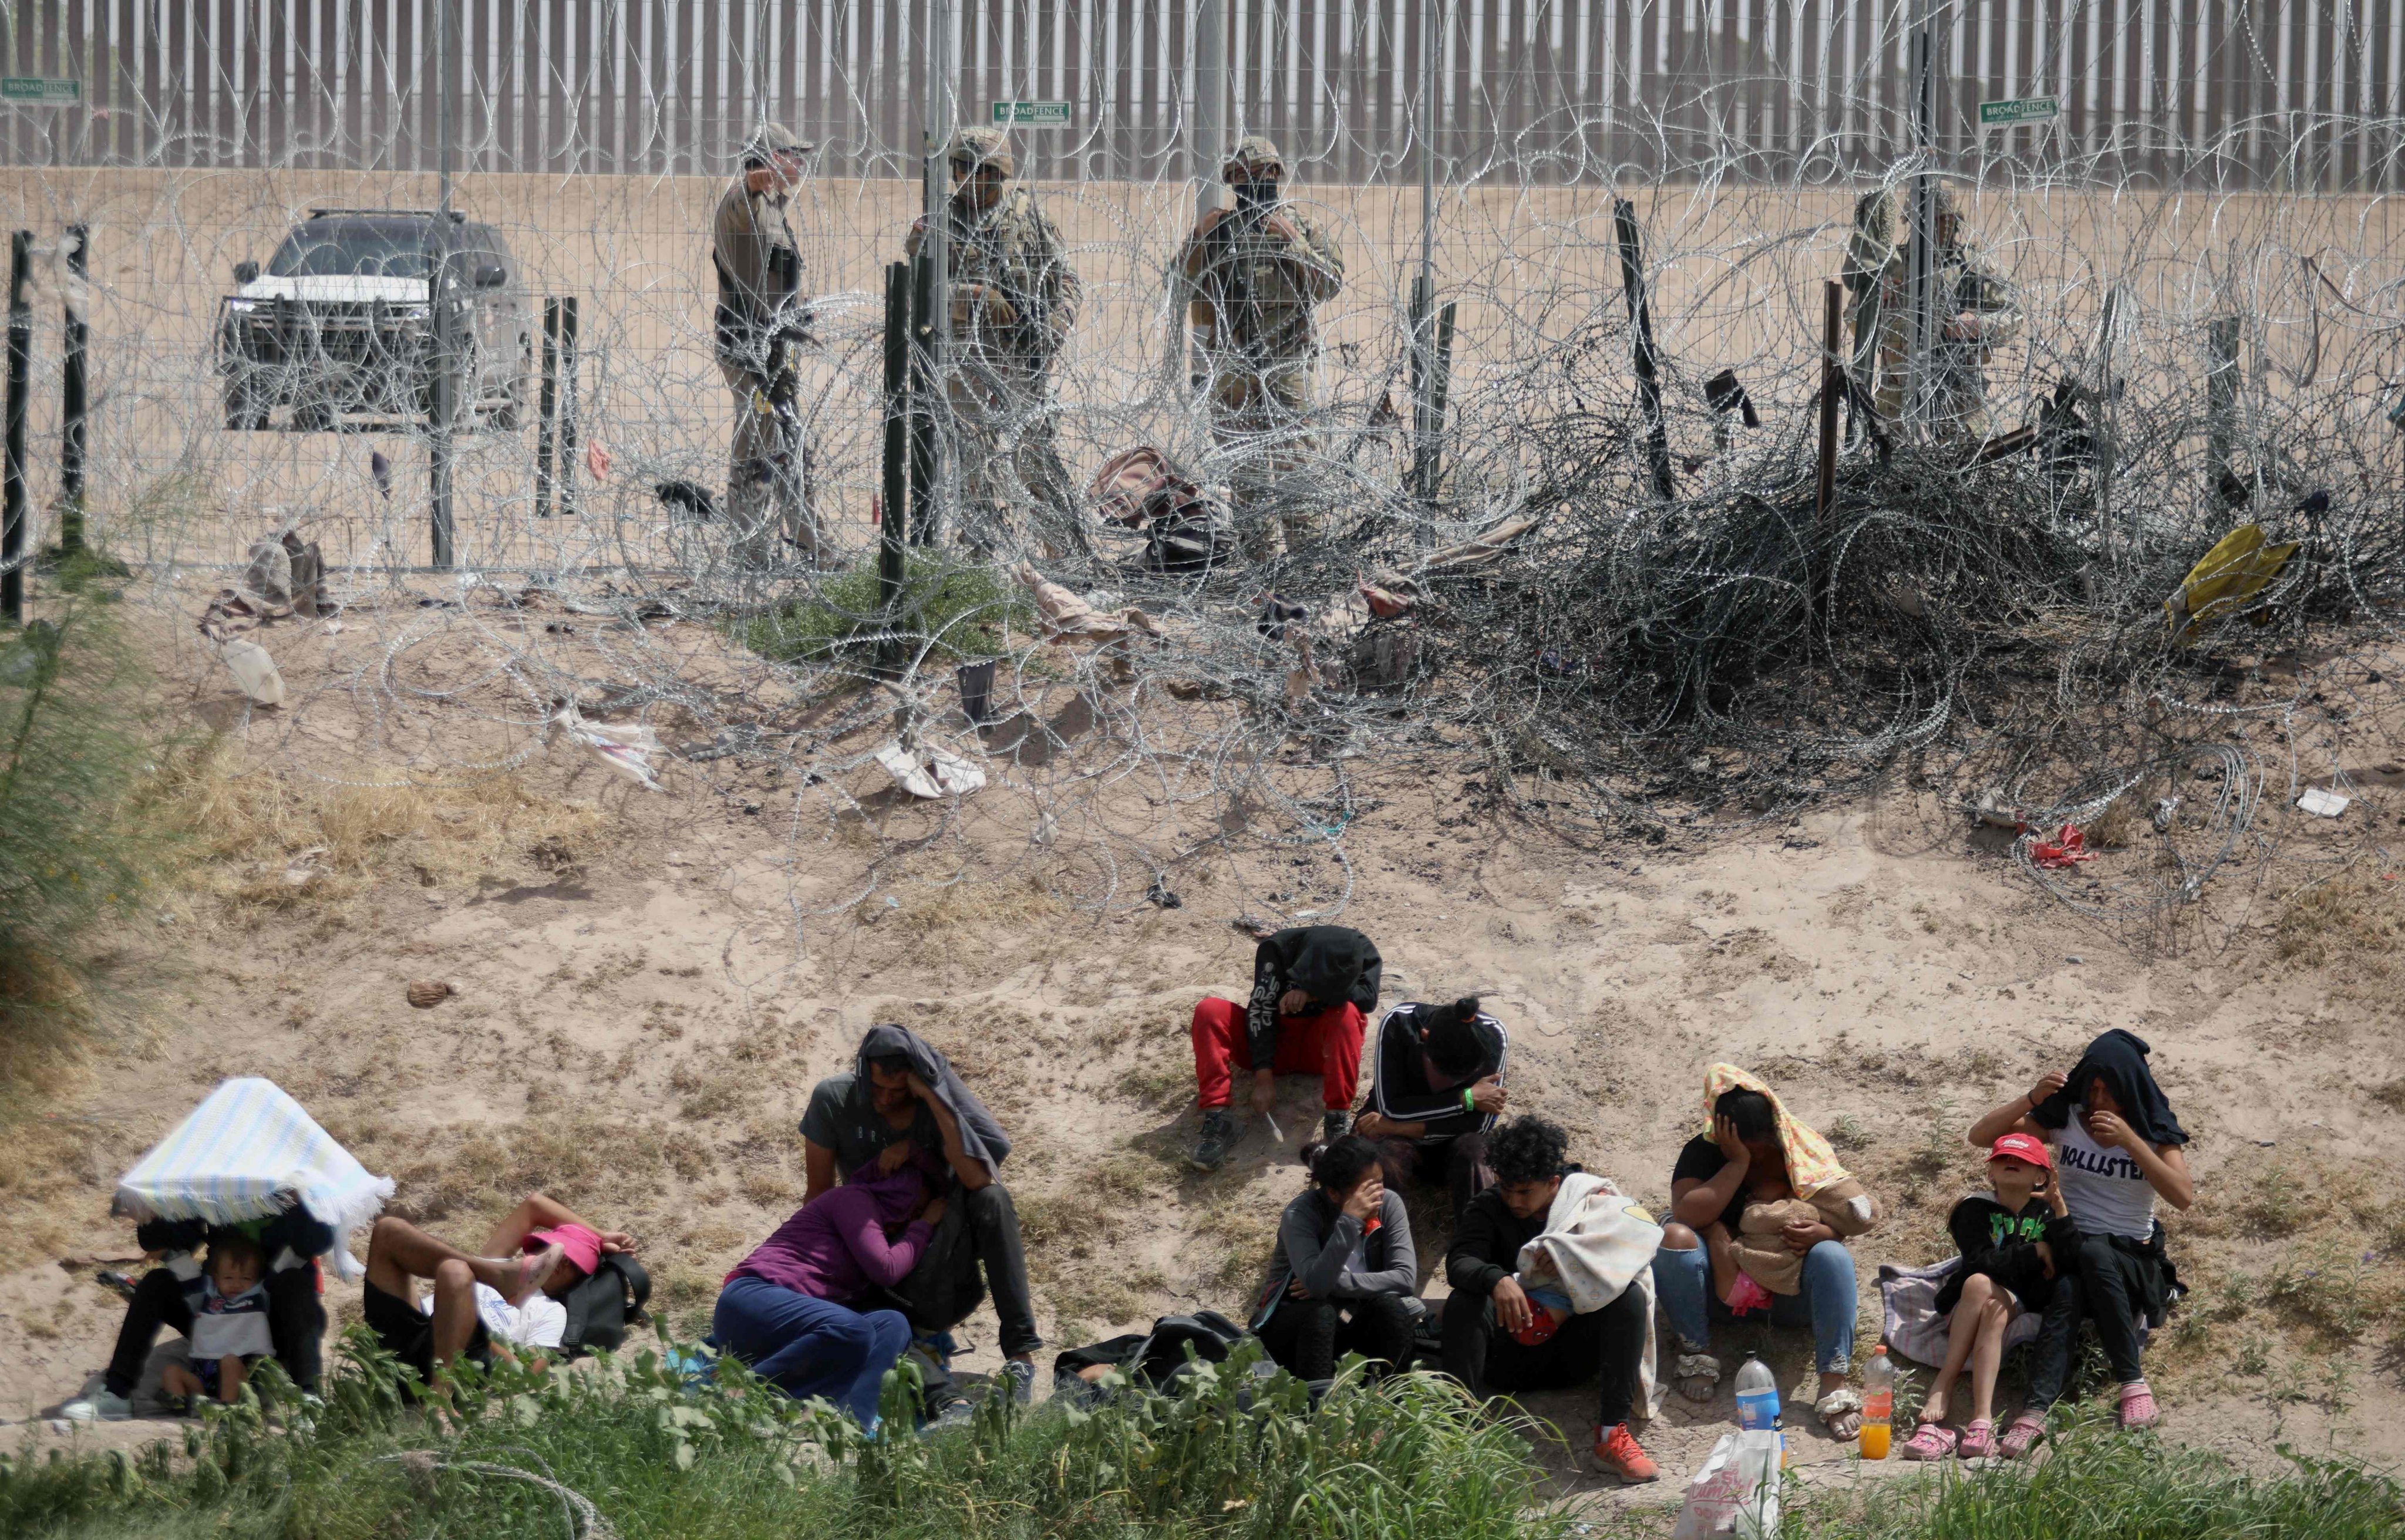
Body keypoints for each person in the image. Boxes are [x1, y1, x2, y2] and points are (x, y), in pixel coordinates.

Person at [1966, 1029, 2194, 1457]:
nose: (2099, 1100)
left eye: (2110, 1090)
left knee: (2086, 1262)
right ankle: (2034, 1411)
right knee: (2070, 1283)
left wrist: (2129, 1139)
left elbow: (2182, 1196)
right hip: (2072, 1244)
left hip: (2130, 1256)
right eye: (2093, 1088)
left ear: (2130, 1089)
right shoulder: (2068, 1118)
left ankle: (2131, 1381)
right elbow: (1982, 1137)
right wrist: (2031, 1099)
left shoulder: (2154, 1129)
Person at [800, 1024, 1039, 1411]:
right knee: (855, 1330)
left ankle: (1021, 1357)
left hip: (942, 1261)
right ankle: (943, 1396)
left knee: (993, 1198)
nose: (885, 1099)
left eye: (898, 1091)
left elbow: (979, 1178)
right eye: (877, 1088)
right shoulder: (834, 1099)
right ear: (863, 1073)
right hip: (875, 1257)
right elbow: (818, 1196)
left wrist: (930, 1096)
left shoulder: (935, 1107)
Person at [1652, 1067, 1878, 1440]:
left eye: (1761, 1149)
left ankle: (1832, 1384)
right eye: (1746, 1148)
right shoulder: (1703, 1153)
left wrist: (1829, 1232)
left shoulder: (1797, 1149)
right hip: (1717, 1297)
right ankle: (1697, 1353)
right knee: (1674, 1236)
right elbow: (1688, 1215)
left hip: (1788, 1294)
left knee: (1832, 1255)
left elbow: (1844, 1206)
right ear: (1722, 1134)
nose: (1757, 1158)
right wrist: (1736, 1163)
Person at [1442, 1116, 1658, 1485]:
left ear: (1554, 1183)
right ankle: (1465, 1429)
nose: (1513, 1201)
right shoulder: (1489, 1206)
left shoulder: (1591, 1202)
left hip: (1575, 1351)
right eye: (1507, 1189)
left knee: (1629, 1296)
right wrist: (1497, 1280)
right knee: (1464, 1303)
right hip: (1509, 1356)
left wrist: (1571, 1262)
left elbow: (1630, 1250)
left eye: (1524, 1192)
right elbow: (1460, 1262)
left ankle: (1612, 1436)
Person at [903, 126, 1082, 554]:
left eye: (982, 171)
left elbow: (1068, 281)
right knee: (972, 463)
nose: (972, 180)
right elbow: (915, 291)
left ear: (998, 173)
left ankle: (1059, 551)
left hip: (1021, 356)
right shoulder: (937, 222)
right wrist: (974, 299)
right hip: (964, 360)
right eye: (963, 169)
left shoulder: (1028, 216)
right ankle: (982, 553)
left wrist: (1055, 327)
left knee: (1033, 456)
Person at [1175, 136, 1343, 558]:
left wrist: (1292, 242)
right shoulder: (1219, 231)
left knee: (1296, 472)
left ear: (1277, 175)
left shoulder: (1300, 227)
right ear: (1233, 181)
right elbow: (1178, 285)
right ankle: (1260, 570)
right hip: (1233, 367)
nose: (1256, 183)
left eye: (1264, 174)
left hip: (1286, 363)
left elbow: (1331, 284)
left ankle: (1305, 565)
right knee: (1246, 476)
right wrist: (1199, 239)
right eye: (1245, 177)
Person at [713, 1141, 938, 1428]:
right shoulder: (854, 1200)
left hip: (798, 1335)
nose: (911, 1219)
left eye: (918, 1214)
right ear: (896, 1193)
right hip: (752, 1301)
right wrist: (925, 1226)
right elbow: (887, 1269)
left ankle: (849, 1422)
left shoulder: (881, 1228)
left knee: (893, 1323)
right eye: (913, 1207)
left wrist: (916, 1152)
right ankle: (741, 1394)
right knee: (853, 1329)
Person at [63, 1196, 332, 1421]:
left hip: (274, 1317)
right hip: (216, 1312)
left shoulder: (292, 1180)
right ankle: (116, 1395)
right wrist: (149, 1218)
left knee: (295, 1281)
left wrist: (300, 1201)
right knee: (157, 1282)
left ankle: (309, 1399)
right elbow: (178, 1239)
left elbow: (319, 1240)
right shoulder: (216, 1184)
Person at [1897, 1133, 2073, 1460]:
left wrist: (2060, 1214)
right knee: (1982, 1287)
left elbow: (2069, 1261)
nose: (2012, 1162)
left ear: (2041, 1176)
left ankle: (1946, 1389)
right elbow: (1978, 1260)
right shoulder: (1974, 1208)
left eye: (2023, 1161)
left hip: (2022, 1298)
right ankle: (1981, 1417)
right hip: (1974, 1297)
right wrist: (2034, 1250)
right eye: (2003, 1158)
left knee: (1986, 1290)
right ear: (1991, 1171)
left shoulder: (2048, 1214)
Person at [359, 1192, 634, 1395]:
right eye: (554, 1251)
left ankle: (438, 1397)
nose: (561, 1263)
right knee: (387, 1230)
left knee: (456, 1272)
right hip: (412, 1338)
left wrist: (474, 1327)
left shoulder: (552, 1311)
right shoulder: (497, 1259)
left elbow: (528, 1377)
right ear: (534, 1250)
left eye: (571, 1263)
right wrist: (601, 1235)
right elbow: (534, 1205)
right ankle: (495, 1277)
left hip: (462, 1357)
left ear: (577, 1281)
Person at [1188, 924, 1383, 1171]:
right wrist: (1263, 1077)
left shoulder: (1362, 950)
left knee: (1348, 1013)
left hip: (1321, 1052)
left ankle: (1337, 1120)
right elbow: (1261, 1009)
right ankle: (1218, 1119)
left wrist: (1313, 992)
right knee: (1210, 1010)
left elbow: (1367, 999)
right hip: (1275, 1044)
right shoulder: (1278, 949)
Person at [712, 121, 819, 565]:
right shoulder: (747, 203)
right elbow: (738, 200)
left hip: (773, 348)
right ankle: (778, 548)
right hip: (749, 347)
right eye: (794, 153)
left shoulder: (775, 208)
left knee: (765, 445)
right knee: (769, 446)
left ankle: (758, 545)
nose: (801, 163)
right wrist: (756, 180)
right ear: (775, 158)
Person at [1250, 1135, 1417, 1384]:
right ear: (1334, 1194)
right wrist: (1350, 1222)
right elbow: (1318, 1287)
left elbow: (1405, 1278)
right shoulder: (1300, 1214)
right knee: (1322, 1312)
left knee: (1392, 1308)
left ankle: (1397, 1400)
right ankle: (1316, 1411)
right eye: (1365, 1190)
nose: (1377, 1196)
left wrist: (1335, 1284)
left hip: (1353, 1315)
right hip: (1295, 1329)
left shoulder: (1389, 1203)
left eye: (1380, 1183)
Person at [1867, 181, 2019, 442]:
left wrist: (1978, 325)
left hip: (1960, 403)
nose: (1929, 228)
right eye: (1920, 220)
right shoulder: (1892, 267)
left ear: (1953, 220)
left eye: (1939, 220)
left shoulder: (1974, 268)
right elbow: (1853, 320)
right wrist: (1876, 309)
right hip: (1898, 403)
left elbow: (2013, 319)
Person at [1352, 995, 1507, 1220]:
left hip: (1419, 1137)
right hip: (1387, 1135)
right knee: (1373, 1161)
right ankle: (1376, 1235)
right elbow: (1392, 1107)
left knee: (1475, 1150)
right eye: (1441, 1072)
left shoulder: (1494, 1036)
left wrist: (1396, 1127)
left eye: (1460, 1080)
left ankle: (1476, 1236)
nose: (1449, 1084)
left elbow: (1479, 1123)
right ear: (1425, 1037)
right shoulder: (1398, 1022)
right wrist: (1465, 1098)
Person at [157, 1233, 274, 1411]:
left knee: (229, 1361)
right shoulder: (208, 1298)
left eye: (246, 1278)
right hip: (204, 1378)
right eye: (229, 1278)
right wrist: (168, 1253)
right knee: (171, 1371)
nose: (237, 1284)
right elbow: (189, 1276)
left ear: (256, 1280)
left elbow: (279, 1273)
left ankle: (228, 1411)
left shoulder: (257, 1297)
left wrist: (300, 1253)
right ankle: (183, 1406)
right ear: (217, 1278)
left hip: (241, 1376)